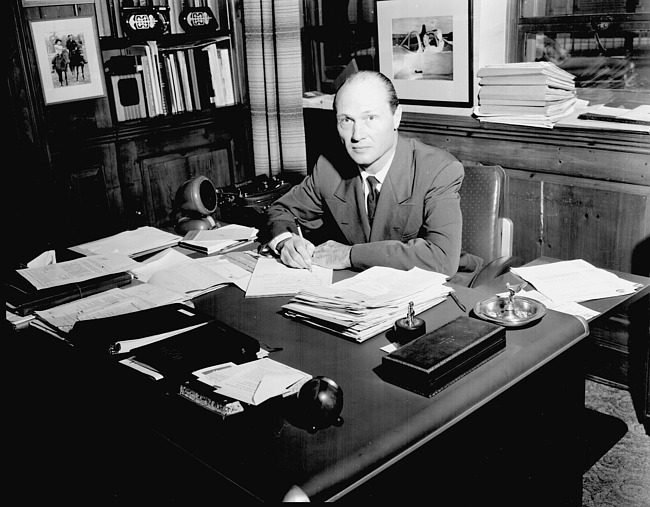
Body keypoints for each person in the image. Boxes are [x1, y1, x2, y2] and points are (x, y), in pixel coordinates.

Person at [259, 70, 482, 285]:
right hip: (364, 290)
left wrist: (349, 255)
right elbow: (279, 211)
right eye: (346, 120)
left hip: (443, 287)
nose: (357, 135)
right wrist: (285, 242)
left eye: (370, 118)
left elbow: (441, 258)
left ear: (396, 117)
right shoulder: (328, 168)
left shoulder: (438, 169)